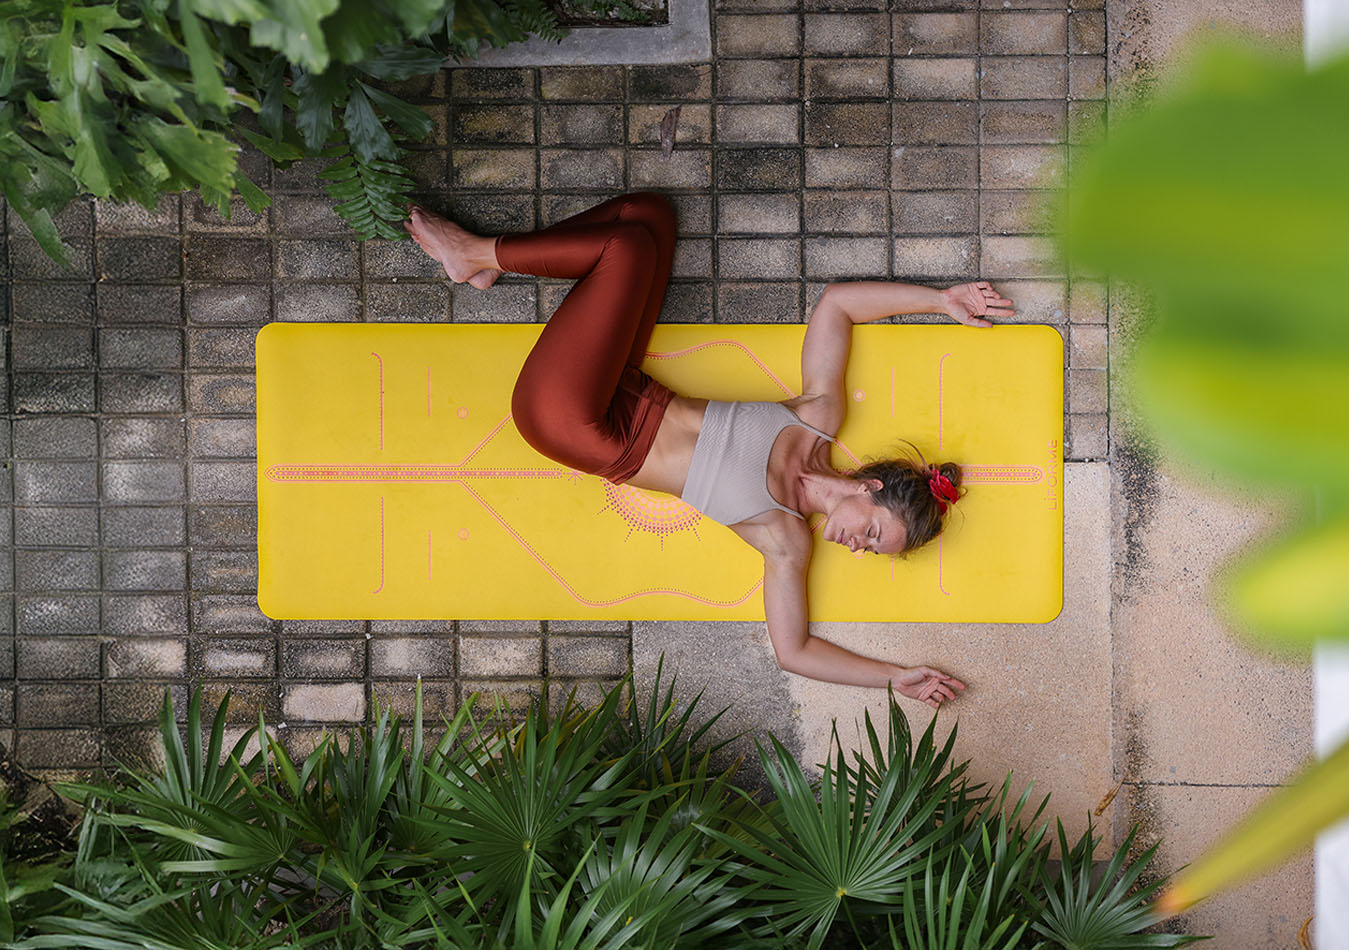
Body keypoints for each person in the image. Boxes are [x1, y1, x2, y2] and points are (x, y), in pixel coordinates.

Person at [404, 193, 1014, 709]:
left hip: (580, 425)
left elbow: (794, 651)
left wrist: (893, 678)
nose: (859, 551)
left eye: (873, 552)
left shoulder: (785, 537)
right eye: (875, 537)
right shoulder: (817, 421)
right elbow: (837, 305)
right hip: (621, 384)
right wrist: (941, 300)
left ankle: (474, 255)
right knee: (649, 216)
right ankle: (486, 266)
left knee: (631, 249)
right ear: (871, 488)